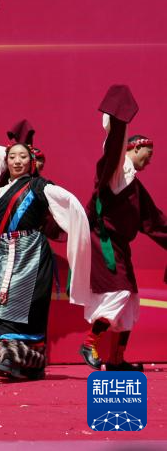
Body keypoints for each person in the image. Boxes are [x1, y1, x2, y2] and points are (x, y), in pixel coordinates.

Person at [0, 136, 93, 380]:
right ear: (6, 162)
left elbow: (70, 205)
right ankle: (26, 361)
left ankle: (15, 358)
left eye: (23, 156)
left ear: (31, 161)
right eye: (12, 156)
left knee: (24, 307)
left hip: (31, 250)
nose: (17, 161)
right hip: (5, 252)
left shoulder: (40, 186)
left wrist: (79, 237)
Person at [80, 85, 167, 371]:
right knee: (117, 293)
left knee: (130, 301)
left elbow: (155, 222)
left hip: (119, 247)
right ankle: (89, 343)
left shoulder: (135, 187)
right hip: (103, 243)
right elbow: (114, 147)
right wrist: (119, 119)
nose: (149, 160)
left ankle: (116, 360)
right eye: (147, 154)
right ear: (134, 148)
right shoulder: (117, 172)